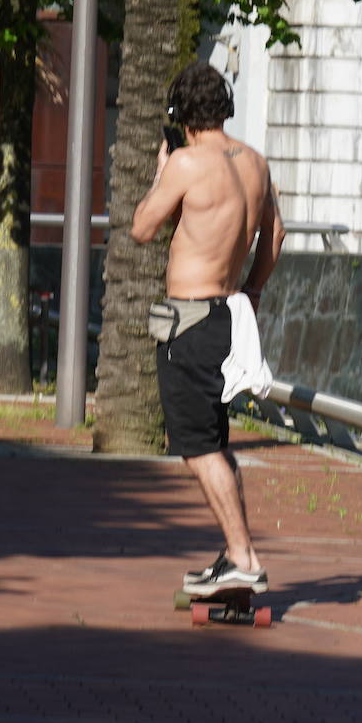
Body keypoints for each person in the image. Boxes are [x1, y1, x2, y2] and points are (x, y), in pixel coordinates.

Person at [131, 61, 285, 597]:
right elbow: (275, 235)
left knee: (197, 447)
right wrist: (255, 290)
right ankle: (233, 553)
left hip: (190, 321)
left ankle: (244, 557)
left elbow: (142, 227)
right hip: (227, 315)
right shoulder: (255, 164)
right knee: (216, 442)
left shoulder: (188, 164)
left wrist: (160, 171)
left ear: (181, 114)